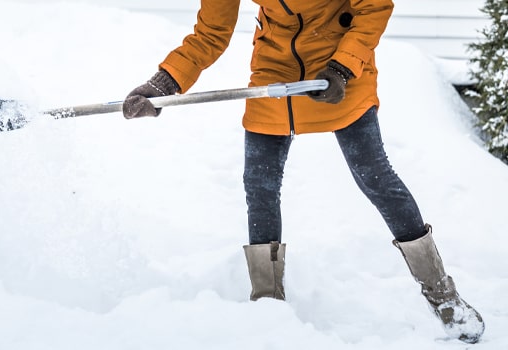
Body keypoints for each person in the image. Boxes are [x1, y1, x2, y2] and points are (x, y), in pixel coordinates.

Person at [122, 0, 484, 344]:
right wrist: (164, 84)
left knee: (375, 176)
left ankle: (444, 298)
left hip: (341, 65)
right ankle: (267, 306)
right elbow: (212, 32)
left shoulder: (344, 64)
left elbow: (373, 7)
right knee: (259, 185)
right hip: (275, 71)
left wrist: (342, 66)